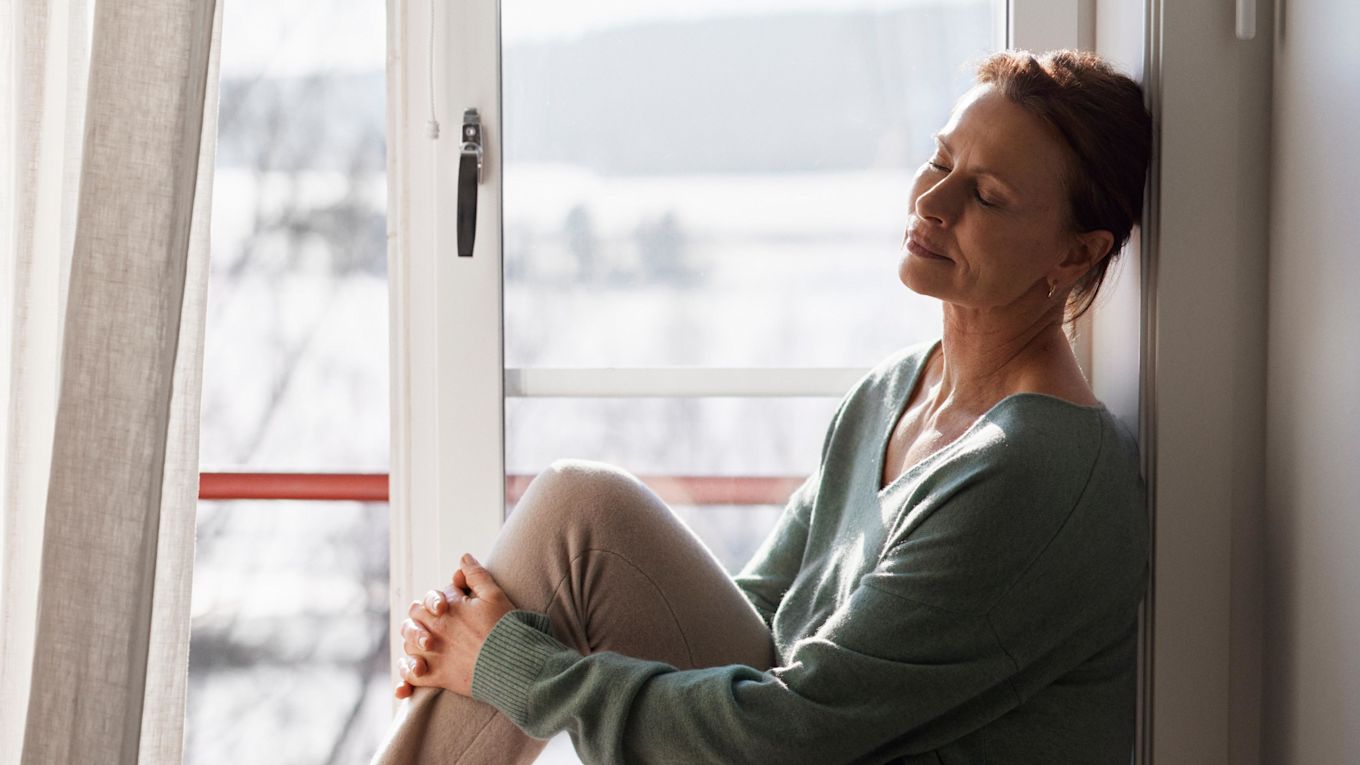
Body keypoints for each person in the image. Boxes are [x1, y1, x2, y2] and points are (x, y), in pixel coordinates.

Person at [370, 48, 1153, 764]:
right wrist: (508, 641)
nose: (933, 199)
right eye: (940, 160)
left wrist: (513, 665)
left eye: (986, 194)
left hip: (800, 748)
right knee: (580, 514)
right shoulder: (892, 393)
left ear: (1075, 253)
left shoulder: (1039, 470)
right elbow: (763, 615)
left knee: (543, 583)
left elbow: (796, 731)